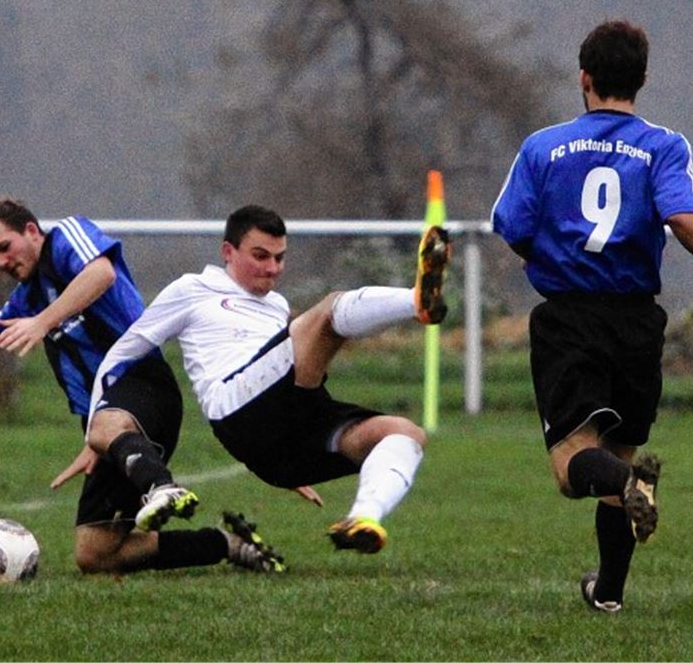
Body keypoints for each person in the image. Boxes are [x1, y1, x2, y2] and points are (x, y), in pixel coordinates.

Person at [0, 198, 284, 576]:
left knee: (105, 427)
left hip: (142, 384)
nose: (1, 262)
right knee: (97, 555)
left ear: (32, 231)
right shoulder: (28, 295)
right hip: (106, 420)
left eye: (4, 247)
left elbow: (101, 275)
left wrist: (43, 321)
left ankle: (161, 486)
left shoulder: (69, 238)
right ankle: (228, 545)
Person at [490, 20, 693, 613]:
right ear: (642, 80)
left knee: (574, 468)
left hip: (569, 318)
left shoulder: (542, 147)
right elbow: (684, 219)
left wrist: (554, 258)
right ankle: (607, 593)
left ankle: (622, 486)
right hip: (638, 321)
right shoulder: (664, 146)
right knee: (622, 449)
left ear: (583, 78)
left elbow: (510, 225)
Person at [74, 205, 451, 555]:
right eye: (260, 256)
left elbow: (284, 366)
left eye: (279, 258)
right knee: (326, 313)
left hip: (279, 444)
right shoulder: (192, 290)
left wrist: (290, 464)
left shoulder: (276, 306)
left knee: (403, 432)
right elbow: (122, 353)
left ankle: (363, 518)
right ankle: (417, 301)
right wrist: (98, 424)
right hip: (235, 406)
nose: (272, 268)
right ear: (228, 252)